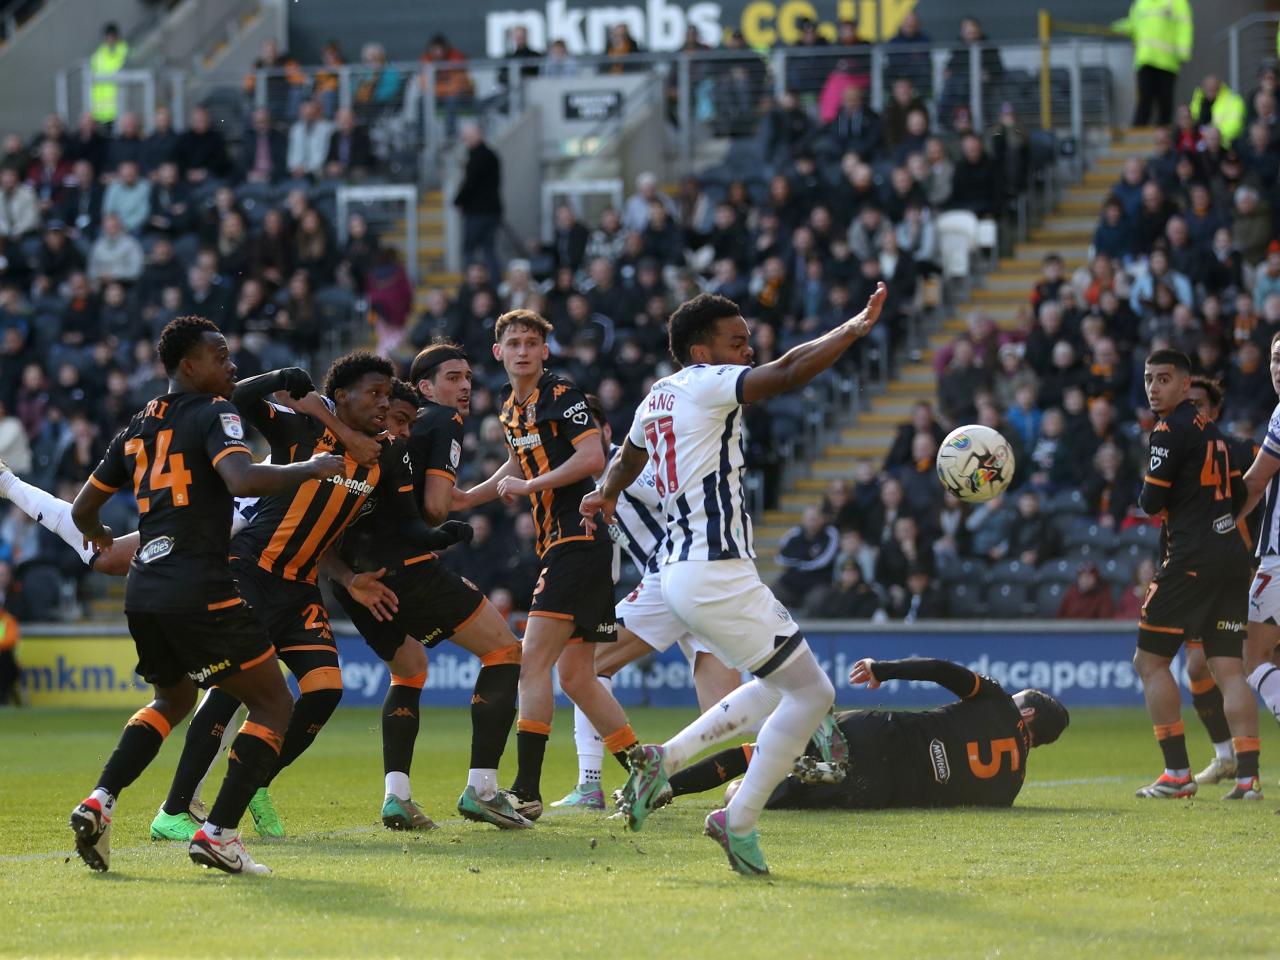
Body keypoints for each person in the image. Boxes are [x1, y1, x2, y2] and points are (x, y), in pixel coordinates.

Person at [583, 283, 886, 875]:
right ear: (701, 352)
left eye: (749, 340)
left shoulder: (656, 398)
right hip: (713, 570)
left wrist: (606, 493)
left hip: (677, 573)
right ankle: (737, 817)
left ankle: (661, 761)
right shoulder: (708, 383)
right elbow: (790, 370)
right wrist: (850, 330)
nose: (748, 350)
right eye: (737, 341)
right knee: (815, 694)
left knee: (782, 685)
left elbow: (627, 456)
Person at [151, 353, 473, 840]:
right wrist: (277, 377)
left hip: (301, 586)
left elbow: (404, 518)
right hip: (252, 570)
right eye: (376, 393)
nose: (384, 403)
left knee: (324, 688)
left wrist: (435, 536)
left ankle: (255, 780)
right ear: (341, 395)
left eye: (389, 395)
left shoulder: (383, 454)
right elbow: (232, 399)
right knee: (234, 687)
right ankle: (173, 810)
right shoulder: (299, 429)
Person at [65, 315, 345, 875]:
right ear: (189, 366)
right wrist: (310, 467)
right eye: (220, 357)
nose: (231, 365)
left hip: (145, 587)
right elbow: (241, 480)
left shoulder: (139, 423)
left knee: (173, 700)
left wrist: (97, 537)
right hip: (200, 584)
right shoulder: (217, 412)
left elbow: (81, 510)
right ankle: (218, 834)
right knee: (274, 704)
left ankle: (100, 800)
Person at [321, 343, 532, 830]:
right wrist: (448, 522)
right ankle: (482, 789)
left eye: (467, 379)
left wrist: (496, 483)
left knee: (410, 668)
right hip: (407, 567)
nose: (463, 387)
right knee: (503, 652)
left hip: (356, 581)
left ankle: (397, 796)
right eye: (452, 377)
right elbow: (438, 507)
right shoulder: (441, 420)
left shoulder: (379, 432)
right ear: (424, 388)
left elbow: (443, 498)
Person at [455, 309, 641, 820]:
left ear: (544, 351)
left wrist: (530, 488)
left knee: (529, 662)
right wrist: (468, 498)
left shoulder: (562, 396)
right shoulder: (513, 409)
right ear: (498, 353)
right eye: (513, 343)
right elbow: (519, 463)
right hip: (569, 546)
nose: (522, 351)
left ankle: (527, 790)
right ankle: (646, 768)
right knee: (578, 677)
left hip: (575, 540)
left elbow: (592, 459)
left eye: (531, 343)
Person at [552, 395, 742, 812]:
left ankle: (592, 783)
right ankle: (803, 750)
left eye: (586, 433)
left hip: (673, 574)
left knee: (584, 665)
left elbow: (672, 492)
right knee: (726, 712)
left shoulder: (626, 465)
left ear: (604, 433)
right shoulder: (594, 486)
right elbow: (613, 560)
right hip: (695, 586)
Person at [666, 657, 1069, 810]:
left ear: (1027, 710)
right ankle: (808, 776)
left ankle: (665, 789)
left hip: (879, 734)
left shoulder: (997, 701)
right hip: (874, 791)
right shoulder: (1010, 787)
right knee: (743, 796)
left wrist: (884, 669)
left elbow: (943, 671)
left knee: (760, 752)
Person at [1133, 348, 1260, 800]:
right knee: (1228, 668)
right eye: (1149, 379)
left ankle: (1177, 774)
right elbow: (1242, 491)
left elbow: (1150, 503)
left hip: (1190, 559)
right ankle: (1248, 779)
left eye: (1164, 379)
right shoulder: (1217, 433)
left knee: (1149, 661)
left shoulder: (1168, 431)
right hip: (1231, 557)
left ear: (1186, 384)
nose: (1154, 388)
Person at [1182, 375, 1264, 785]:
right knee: (1198, 670)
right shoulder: (1174, 453)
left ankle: (1246, 767)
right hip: (1201, 576)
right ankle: (1227, 757)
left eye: (1199, 403)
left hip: (1247, 572)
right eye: (1188, 403)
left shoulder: (1242, 450)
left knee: (1249, 664)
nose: (1193, 410)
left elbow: (1262, 499)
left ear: (1214, 410)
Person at [1234, 332, 1280, 788]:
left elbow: (1255, 482)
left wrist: (1218, 523)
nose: (1278, 368)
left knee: (1252, 656)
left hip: (1279, 560)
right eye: (1274, 359)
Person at [1113, 0, 1193, 128]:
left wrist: (1183, 52)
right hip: (1145, 59)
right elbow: (1134, 24)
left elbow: (1184, 26)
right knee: (1145, 98)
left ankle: (1163, 133)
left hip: (1167, 60)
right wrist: (1120, 27)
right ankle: (1138, 131)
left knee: (1165, 100)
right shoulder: (1141, 3)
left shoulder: (1177, 2)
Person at [453, 123, 502, 280]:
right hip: (491, 211)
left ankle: (473, 283)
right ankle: (493, 284)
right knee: (489, 250)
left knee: (469, 250)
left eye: (467, 137)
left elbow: (471, 183)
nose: (465, 141)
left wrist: (458, 200)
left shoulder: (477, 158)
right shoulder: (491, 155)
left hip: (477, 213)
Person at [89, 23, 128, 127]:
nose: (110, 39)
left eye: (112, 36)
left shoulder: (124, 51)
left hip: (119, 107)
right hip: (99, 111)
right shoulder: (98, 54)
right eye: (108, 36)